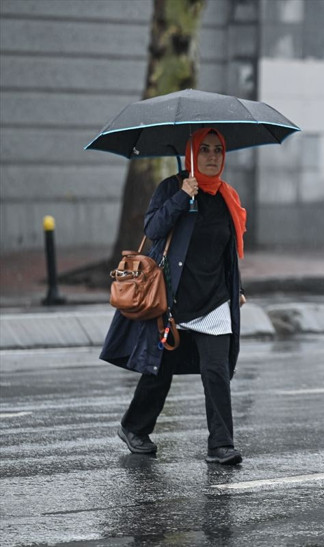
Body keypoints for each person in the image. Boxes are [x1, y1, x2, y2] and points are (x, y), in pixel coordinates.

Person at [100, 127, 247, 466]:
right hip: (172, 299)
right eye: (205, 150)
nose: (212, 157)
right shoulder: (172, 187)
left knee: (216, 371)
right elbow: (153, 230)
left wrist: (236, 287)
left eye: (217, 151)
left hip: (214, 300)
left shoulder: (227, 197)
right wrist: (182, 196)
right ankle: (134, 426)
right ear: (192, 154)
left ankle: (221, 445)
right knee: (159, 372)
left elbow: (226, 252)